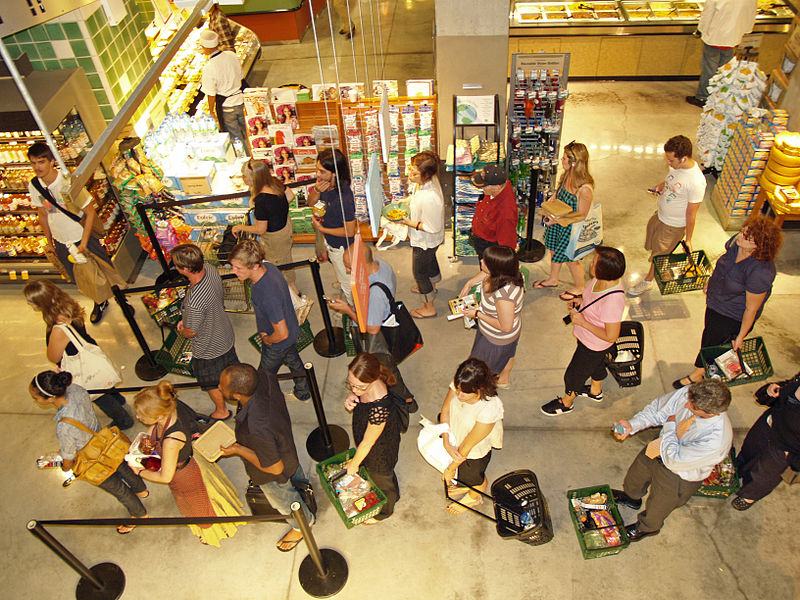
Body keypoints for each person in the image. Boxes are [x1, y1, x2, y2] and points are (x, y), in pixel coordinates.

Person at [612, 380, 733, 541]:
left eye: (693, 407)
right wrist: (632, 425)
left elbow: (674, 459)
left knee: (659, 505)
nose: (687, 406)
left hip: (679, 474)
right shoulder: (691, 393)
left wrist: (670, 426)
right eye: (689, 400)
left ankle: (648, 527)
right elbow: (659, 410)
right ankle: (631, 497)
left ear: (713, 413)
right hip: (659, 447)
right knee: (636, 475)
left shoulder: (715, 440)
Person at [672, 215, 783, 389]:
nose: (740, 236)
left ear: (759, 245)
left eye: (747, 237)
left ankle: (698, 374)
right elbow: (723, 264)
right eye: (743, 231)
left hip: (732, 314)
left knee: (712, 342)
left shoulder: (760, 272)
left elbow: (751, 309)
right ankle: (704, 368)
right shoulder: (735, 243)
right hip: (716, 301)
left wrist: (740, 336)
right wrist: (711, 280)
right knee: (709, 334)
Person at [30, 370, 147, 534]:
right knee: (122, 466)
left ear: (50, 398)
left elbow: (68, 456)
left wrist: (65, 467)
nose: (35, 400)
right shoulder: (76, 389)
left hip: (91, 459)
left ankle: (139, 514)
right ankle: (141, 489)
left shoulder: (64, 426)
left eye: (36, 398)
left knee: (118, 488)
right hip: (105, 441)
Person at [132, 381, 243, 546]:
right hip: (190, 462)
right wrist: (142, 444)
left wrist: (139, 471)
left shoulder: (171, 441)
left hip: (184, 476)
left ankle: (214, 533)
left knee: (200, 508)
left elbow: (165, 477)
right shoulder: (170, 407)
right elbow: (154, 430)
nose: (138, 417)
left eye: (142, 415)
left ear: (158, 415)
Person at [218, 363, 315, 551]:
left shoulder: (257, 426)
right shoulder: (265, 377)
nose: (219, 388)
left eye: (223, 386)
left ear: (238, 395)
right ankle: (304, 489)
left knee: (284, 501)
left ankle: (303, 524)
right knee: (296, 476)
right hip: (285, 445)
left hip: (272, 473)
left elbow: (275, 469)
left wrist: (239, 449)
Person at [27, 142, 125, 323]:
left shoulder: (68, 183)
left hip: (81, 236)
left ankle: (121, 298)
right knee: (83, 276)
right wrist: (49, 241)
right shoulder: (35, 185)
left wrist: (84, 242)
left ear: (52, 162)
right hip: (61, 240)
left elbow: (90, 213)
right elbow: (42, 214)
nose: (37, 167)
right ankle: (100, 301)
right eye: (33, 163)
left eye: (40, 162)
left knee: (105, 269)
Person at [24, 280, 132, 429]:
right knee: (103, 380)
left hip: (80, 365)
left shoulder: (59, 328)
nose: (30, 305)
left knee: (98, 394)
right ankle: (119, 400)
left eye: (32, 302)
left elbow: (53, 357)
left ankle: (123, 420)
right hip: (89, 353)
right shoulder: (67, 305)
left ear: (42, 303)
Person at [327, 243, 417, 412]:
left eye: (349, 267)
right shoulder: (382, 265)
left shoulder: (375, 294)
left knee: (387, 371)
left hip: (377, 341)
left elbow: (372, 329)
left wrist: (347, 310)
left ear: (360, 266)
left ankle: (407, 401)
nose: (347, 271)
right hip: (382, 320)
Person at [540, 246, 626, 417]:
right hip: (588, 339)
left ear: (604, 270)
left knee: (574, 375)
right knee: (597, 365)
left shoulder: (613, 301)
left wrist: (583, 322)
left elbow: (611, 336)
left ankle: (566, 403)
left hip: (593, 344)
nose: (590, 263)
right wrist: (580, 302)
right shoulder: (600, 280)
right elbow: (593, 299)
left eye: (594, 262)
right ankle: (595, 391)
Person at [229, 239, 311, 402]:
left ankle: (261, 401)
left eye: (238, 268)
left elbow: (281, 333)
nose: (234, 271)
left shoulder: (266, 294)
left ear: (255, 266)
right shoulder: (271, 269)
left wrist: (267, 339)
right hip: (291, 330)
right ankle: (304, 391)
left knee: (263, 375)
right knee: (292, 359)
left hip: (277, 342)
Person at [627, 135, 706, 297]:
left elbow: (691, 213)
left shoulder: (696, 182)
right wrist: (660, 187)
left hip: (673, 226)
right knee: (654, 247)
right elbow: (670, 181)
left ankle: (648, 281)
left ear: (683, 158)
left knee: (659, 255)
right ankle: (649, 277)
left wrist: (689, 239)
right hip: (660, 216)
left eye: (671, 160)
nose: (668, 163)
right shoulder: (677, 168)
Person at [171, 243, 239, 421]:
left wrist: (183, 330)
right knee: (232, 373)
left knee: (209, 381)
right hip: (224, 333)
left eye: (176, 265)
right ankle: (241, 398)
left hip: (208, 348)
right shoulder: (210, 269)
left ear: (185, 269)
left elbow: (192, 332)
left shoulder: (194, 301)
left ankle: (222, 411)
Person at [344, 353, 407, 522]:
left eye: (359, 387)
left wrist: (353, 465)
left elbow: (368, 443)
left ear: (372, 380)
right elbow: (358, 391)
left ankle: (385, 511)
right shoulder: (370, 380)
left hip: (380, 448)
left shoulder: (380, 406)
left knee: (381, 476)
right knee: (383, 476)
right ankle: (392, 489)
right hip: (369, 435)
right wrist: (353, 396)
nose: (355, 389)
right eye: (351, 385)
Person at [438, 358, 504, 514]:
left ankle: (473, 497)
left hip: (474, 450)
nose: (458, 395)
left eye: (465, 392)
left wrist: (450, 469)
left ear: (479, 388)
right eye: (458, 389)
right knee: (464, 475)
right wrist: (446, 441)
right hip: (456, 434)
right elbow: (445, 410)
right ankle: (465, 486)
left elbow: (468, 445)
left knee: (475, 478)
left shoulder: (489, 408)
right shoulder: (461, 383)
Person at [458, 245, 524, 388]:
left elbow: (505, 327)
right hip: (504, 331)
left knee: (476, 369)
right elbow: (486, 273)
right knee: (509, 354)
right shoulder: (509, 274)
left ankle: (479, 391)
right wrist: (470, 283)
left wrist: (477, 314)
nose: (481, 261)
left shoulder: (503, 296)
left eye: (485, 261)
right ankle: (503, 380)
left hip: (496, 338)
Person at [733, 371, 800, 510]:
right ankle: (739, 470)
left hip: (786, 448)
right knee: (749, 451)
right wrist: (774, 389)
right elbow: (789, 385)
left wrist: (793, 459)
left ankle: (749, 495)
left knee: (764, 475)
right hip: (769, 425)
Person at [535, 141, 594, 301]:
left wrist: (557, 220)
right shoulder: (568, 175)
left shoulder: (585, 189)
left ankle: (580, 287)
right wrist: (551, 201)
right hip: (558, 222)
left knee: (571, 260)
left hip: (570, 228)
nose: (561, 160)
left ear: (574, 163)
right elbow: (559, 192)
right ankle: (553, 279)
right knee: (553, 250)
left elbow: (581, 215)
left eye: (565, 158)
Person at [232, 159, 300, 295]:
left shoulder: (262, 201)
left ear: (253, 178)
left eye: (244, 176)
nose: (243, 179)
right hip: (286, 226)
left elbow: (260, 229)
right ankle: (292, 284)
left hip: (275, 237)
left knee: (279, 263)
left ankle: (293, 293)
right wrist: (277, 210)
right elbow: (290, 195)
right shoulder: (274, 182)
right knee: (285, 257)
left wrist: (240, 227)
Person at [686, 0, 757, 107]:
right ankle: (720, 97)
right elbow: (751, 14)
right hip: (733, 38)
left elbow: (707, 13)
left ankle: (703, 97)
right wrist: (744, 31)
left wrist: (700, 30)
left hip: (714, 36)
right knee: (725, 70)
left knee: (709, 69)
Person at [400, 151, 445, 319]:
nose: (410, 175)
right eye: (410, 169)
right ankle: (432, 285)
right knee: (430, 260)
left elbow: (432, 227)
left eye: (414, 173)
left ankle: (429, 306)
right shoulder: (428, 182)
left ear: (426, 174)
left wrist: (407, 222)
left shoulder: (431, 197)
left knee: (419, 272)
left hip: (425, 240)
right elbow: (418, 200)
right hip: (429, 242)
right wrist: (406, 202)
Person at [309, 148, 357, 304]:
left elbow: (350, 232)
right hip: (330, 241)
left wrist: (321, 229)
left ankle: (353, 313)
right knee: (337, 268)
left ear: (334, 173)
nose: (318, 175)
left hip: (342, 248)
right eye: (317, 170)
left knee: (349, 285)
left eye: (322, 171)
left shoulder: (344, 198)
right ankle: (341, 279)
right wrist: (316, 191)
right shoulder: (323, 184)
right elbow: (311, 203)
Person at [199, 29, 249, 155]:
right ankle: (255, 154)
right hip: (241, 100)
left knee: (236, 138)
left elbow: (211, 94)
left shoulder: (209, 68)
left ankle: (244, 159)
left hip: (227, 108)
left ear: (205, 48)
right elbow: (240, 76)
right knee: (249, 131)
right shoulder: (231, 55)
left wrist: (211, 111)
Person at [469, 164, 518, 260]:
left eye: (484, 186)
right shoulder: (496, 189)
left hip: (489, 247)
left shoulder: (506, 213)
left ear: (497, 187)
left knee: (489, 270)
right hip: (481, 237)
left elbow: (506, 246)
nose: (481, 188)